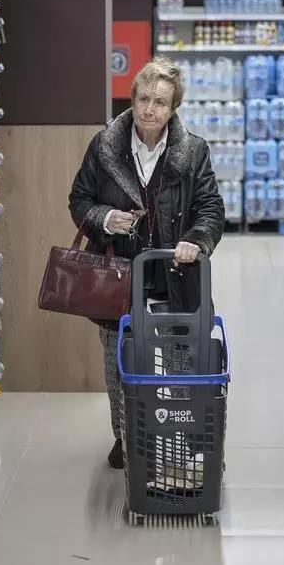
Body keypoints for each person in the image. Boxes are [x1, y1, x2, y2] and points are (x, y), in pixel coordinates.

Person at [68, 56, 225, 469]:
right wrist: (104, 217)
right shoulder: (105, 147)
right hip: (119, 277)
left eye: (160, 101)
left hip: (176, 275)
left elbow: (210, 208)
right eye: (142, 99)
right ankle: (126, 436)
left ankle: (177, 434)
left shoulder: (193, 153)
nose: (149, 109)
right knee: (120, 363)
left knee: (178, 362)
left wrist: (196, 240)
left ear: (173, 107)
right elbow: (79, 199)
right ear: (132, 99)